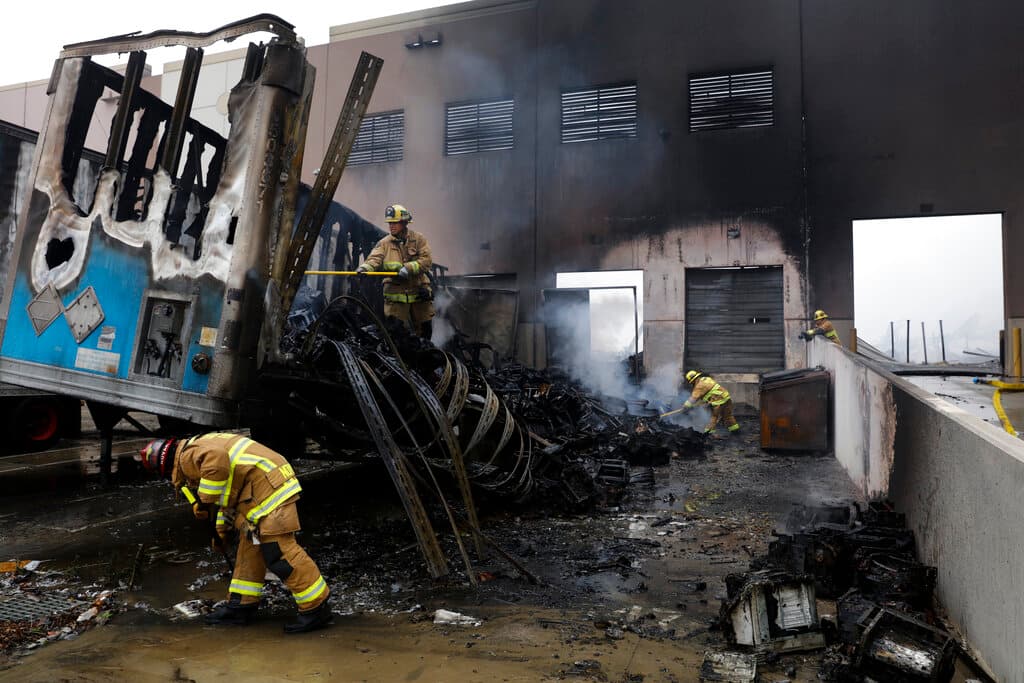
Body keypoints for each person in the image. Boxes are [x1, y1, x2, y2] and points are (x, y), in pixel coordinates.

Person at [140, 433, 331, 633]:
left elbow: (217, 461)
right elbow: (226, 501)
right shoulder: (194, 449)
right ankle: (241, 605)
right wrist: (221, 532)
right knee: (251, 547)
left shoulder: (187, 456)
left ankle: (316, 607)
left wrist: (204, 501)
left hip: (268, 487)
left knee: (278, 551)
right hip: (261, 487)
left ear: (163, 467)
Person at [356, 203, 435, 339]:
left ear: (404, 223)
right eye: (390, 223)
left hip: (419, 293)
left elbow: (426, 260)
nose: (391, 226)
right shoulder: (384, 243)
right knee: (396, 334)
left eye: (395, 222)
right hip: (396, 295)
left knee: (424, 333)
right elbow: (374, 259)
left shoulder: (419, 240)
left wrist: (408, 268)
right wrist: (364, 268)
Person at [681, 370, 740, 435]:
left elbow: (693, 398)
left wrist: (685, 407)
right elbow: (708, 392)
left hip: (718, 401)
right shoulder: (706, 379)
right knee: (728, 416)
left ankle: (708, 434)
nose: (692, 384)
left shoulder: (699, 386)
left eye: (691, 383)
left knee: (713, 417)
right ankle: (735, 431)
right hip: (726, 398)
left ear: (693, 380)